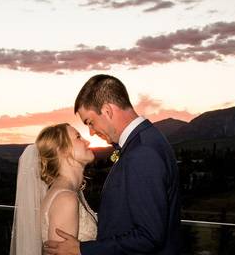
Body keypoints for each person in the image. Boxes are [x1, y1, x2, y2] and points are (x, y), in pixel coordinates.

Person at [44, 74, 181, 255]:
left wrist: (83, 249)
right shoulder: (146, 141)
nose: (91, 133)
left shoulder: (142, 153)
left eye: (90, 122)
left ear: (107, 111)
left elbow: (149, 237)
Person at [10, 123, 97, 255]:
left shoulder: (68, 192)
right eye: (78, 137)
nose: (87, 141)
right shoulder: (65, 199)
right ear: (61, 150)